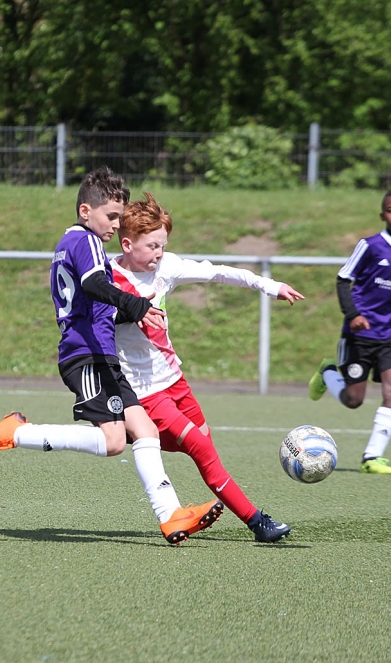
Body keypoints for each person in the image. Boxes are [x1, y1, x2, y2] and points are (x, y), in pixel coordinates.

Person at [0, 168, 224, 545]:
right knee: (114, 442)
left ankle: (170, 514)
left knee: (145, 430)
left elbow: (89, 304)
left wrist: (128, 313)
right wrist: (132, 303)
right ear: (86, 211)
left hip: (103, 356)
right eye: (112, 216)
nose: (117, 225)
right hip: (86, 356)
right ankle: (17, 433)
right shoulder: (84, 240)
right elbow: (93, 285)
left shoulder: (73, 243)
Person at [111, 191, 305, 542]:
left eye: (163, 246)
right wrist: (124, 314)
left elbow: (217, 273)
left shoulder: (167, 267)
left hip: (175, 381)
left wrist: (269, 285)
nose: (159, 253)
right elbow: (91, 322)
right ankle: (257, 522)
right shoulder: (109, 279)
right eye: (152, 246)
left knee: (203, 443)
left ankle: (128, 434)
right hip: (145, 391)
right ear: (127, 244)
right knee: (201, 447)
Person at [308, 186, 391, 474]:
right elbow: (343, 281)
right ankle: (328, 372)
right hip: (360, 335)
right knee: (353, 400)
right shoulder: (370, 246)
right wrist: (353, 315)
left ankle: (372, 457)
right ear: (383, 215)